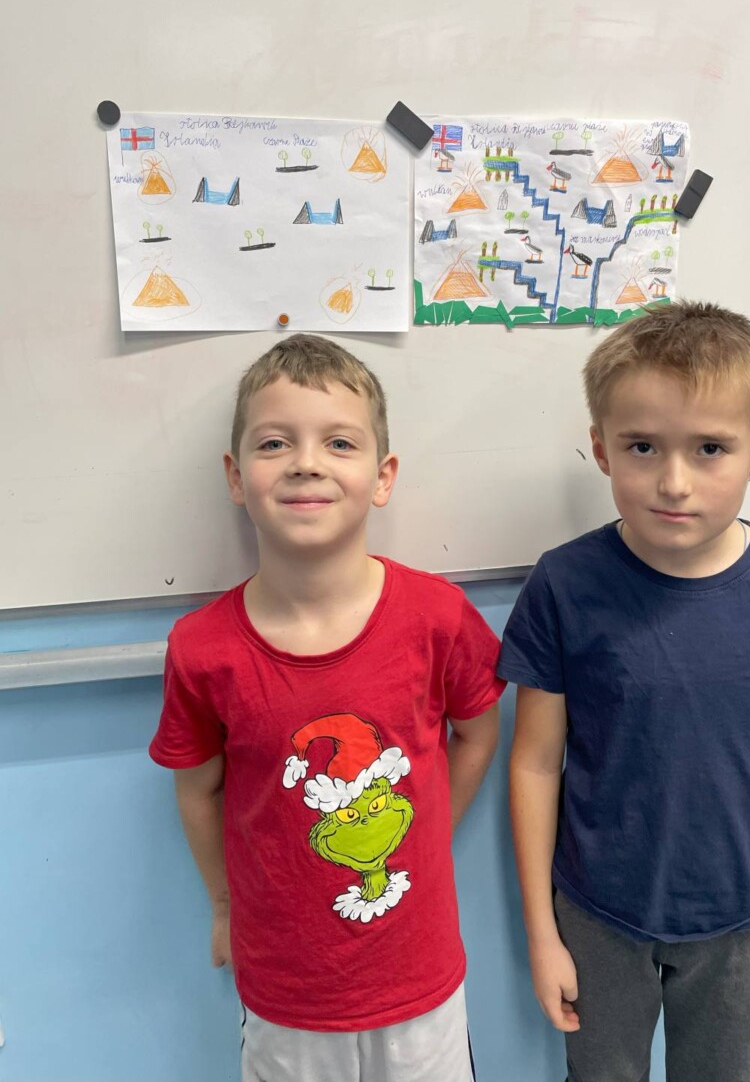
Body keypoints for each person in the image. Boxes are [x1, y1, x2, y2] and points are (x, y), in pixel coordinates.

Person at [500, 301, 750, 1082]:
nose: (674, 482)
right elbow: (534, 764)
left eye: (710, 448)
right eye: (642, 446)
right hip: (597, 917)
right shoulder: (564, 584)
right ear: (602, 449)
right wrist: (543, 934)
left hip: (741, 922)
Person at [150, 334, 503, 1082]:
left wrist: (428, 832)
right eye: (274, 443)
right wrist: (224, 906)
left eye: (338, 442)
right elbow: (197, 790)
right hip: (285, 997)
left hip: (421, 985)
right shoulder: (203, 648)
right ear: (236, 476)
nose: (306, 462)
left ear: (383, 476)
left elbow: (477, 734)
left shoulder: (437, 618)